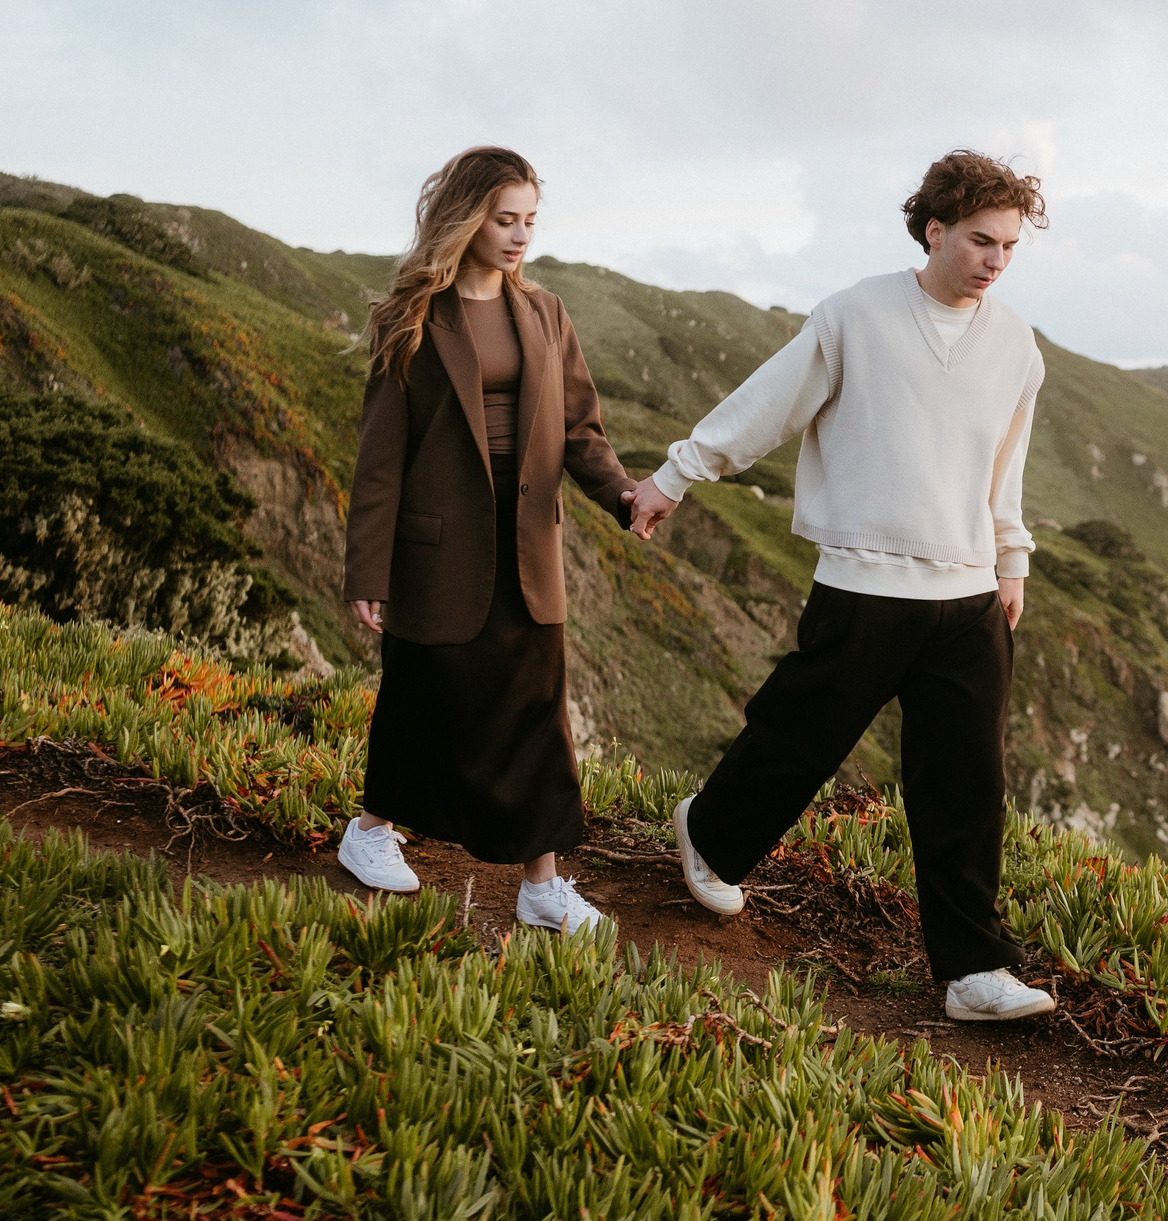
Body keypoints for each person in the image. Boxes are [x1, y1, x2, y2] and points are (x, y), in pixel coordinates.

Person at [626, 150, 1058, 1022]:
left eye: (1009, 246)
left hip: (970, 596)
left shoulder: (1016, 344)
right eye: (980, 240)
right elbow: (765, 404)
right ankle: (709, 833)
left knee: (967, 782)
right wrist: (676, 475)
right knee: (800, 737)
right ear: (933, 229)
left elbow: (1003, 468)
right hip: (865, 583)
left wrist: (1011, 560)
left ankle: (974, 970)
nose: (995, 261)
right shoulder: (854, 315)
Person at [336, 146, 634, 934]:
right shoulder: (413, 316)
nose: (519, 236)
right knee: (425, 691)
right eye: (506, 220)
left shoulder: (545, 313)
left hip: (528, 536)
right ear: (467, 218)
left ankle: (542, 884)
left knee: (539, 703)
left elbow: (580, 430)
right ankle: (370, 832)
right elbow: (380, 455)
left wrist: (622, 494)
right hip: (434, 543)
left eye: (530, 221)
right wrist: (367, 566)